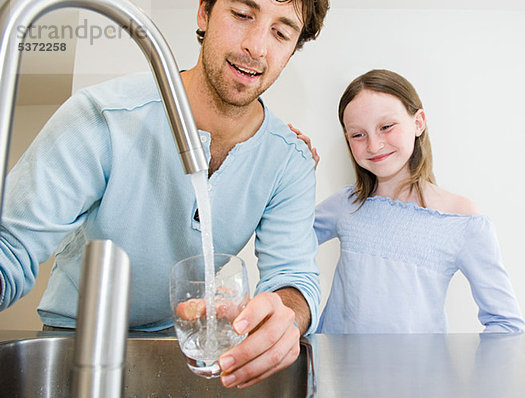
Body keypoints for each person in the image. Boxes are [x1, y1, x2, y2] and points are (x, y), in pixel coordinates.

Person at [0, 0, 329, 388]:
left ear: (293, 47)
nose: (256, 47)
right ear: (204, 13)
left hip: (180, 346)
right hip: (75, 340)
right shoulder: (105, 116)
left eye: (281, 32)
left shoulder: (289, 159)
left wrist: (282, 314)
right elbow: (11, 248)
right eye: (242, 14)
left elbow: (293, 278)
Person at [297, 69, 525, 334]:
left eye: (386, 127)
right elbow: (286, 240)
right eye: (358, 134)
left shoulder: (461, 218)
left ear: (418, 123)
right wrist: (298, 180)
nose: (374, 145)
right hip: (335, 372)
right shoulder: (347, 204)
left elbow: (506, 323)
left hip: (419, 375)